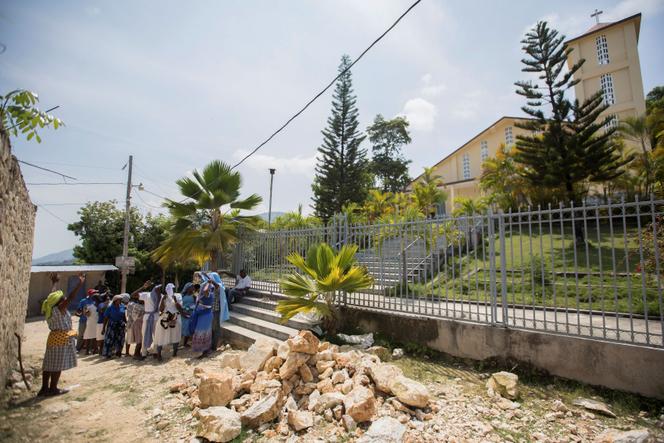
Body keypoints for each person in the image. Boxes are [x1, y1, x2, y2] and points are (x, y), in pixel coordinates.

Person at [39, 272, 85, 397]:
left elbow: (52, 296)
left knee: (49, 364)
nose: (65, 299)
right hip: (61, 339)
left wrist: (54, 283)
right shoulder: (59, 309)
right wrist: (79, 284)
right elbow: (70, 297)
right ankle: (53, 388)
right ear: (60, 303)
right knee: (57, 365)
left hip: (53, 338)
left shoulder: (51, 306)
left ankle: (44, 389)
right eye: (63, 299)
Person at [188, 274, 216, 358]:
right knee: (202, 331)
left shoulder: (208, 294)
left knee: (204, 332)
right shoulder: (204, 294)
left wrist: (208, 283)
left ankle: (205, 351)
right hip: (202, 314)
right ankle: (204, 350)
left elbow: (205, 290)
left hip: (206, 315)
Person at [125, 282, 149, 358]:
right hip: (137, 324)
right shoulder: (140, 306)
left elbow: (132, 295)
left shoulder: (131, 304)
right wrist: (143, 287)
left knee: (130, 339)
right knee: (139, 339)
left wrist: (143, 287)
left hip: (131, 324)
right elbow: (132, 295)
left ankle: (128, 352)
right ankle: (136, 354)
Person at [138, 282, 160, 359]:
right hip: (147, 317)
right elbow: (133, 295)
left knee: (156, 335)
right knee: (144, 334)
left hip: (156, 317)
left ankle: (155, 351)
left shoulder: (160, 296)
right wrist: (143, 287)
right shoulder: (146, 294)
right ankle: (144, 353)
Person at [208, 272, 230, 351]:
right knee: (211, 329)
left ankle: (214, 347)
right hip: (211, 310)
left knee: (216, 329)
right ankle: (210, 345)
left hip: (216, 311)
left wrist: (211, 280)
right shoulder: (211, 287)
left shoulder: (219, 286)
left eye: (211, 278)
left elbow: (217, 286)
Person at [180, 283, 199, 348]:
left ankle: (186, 343)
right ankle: (181, 342)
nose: (193, 288)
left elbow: (196, 304)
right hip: (183, 313)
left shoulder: (194, 296)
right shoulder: (182, 296)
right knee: (184, 328)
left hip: (191, 314)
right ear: (188, 288)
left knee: (190, 327)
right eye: (191, 287)